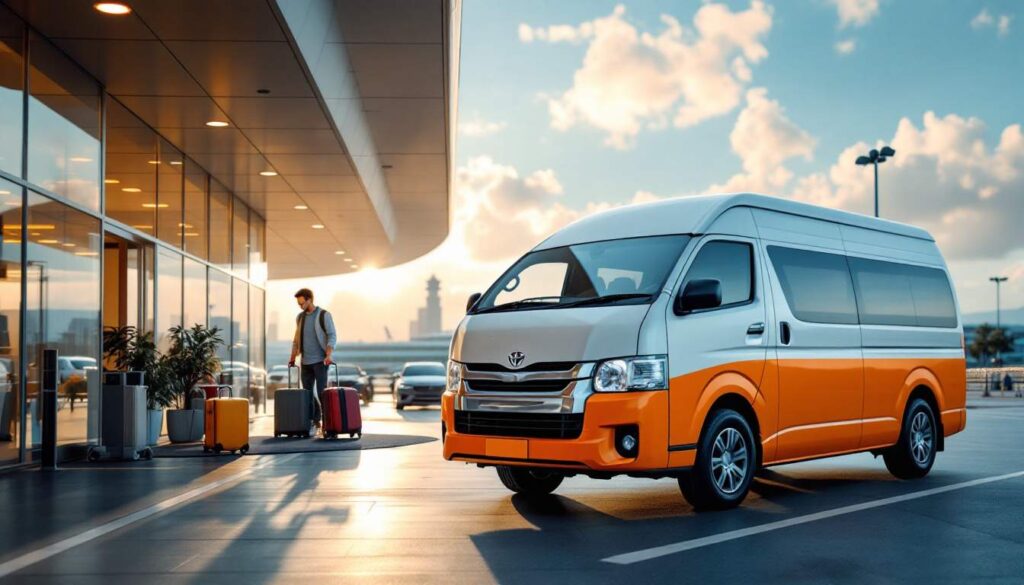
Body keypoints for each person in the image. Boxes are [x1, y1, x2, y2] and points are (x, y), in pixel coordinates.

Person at [288, 288, 337, 428]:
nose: (300, 306)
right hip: (305, 362)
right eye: (298, 304)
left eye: (302, 303)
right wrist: (292, 357)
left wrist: (328, 354)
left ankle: (327, 421)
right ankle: (314, 420)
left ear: (309, 299)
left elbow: (332, 335)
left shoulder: (323, 315)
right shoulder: (300, 317)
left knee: (322, 393)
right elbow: (296, 340)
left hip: (321, 361)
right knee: (307, 394)